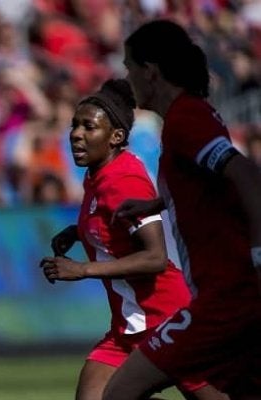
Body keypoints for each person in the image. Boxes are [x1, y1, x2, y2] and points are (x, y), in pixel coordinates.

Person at [104, 20, 261, 399]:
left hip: (227, 298)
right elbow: (211, 182)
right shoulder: (192, 115)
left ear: (150, 72)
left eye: (129, 67)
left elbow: (245, 173)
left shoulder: (185, 119)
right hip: (234, 295)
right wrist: (159, 202)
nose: (127, 78)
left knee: (119, 392)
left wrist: (260, 253)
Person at [40, 79, 198, 400]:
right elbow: (110, 220)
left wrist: (82, 269)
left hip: (169, 322)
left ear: (116, 137)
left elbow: (155, 257)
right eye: (75, 125)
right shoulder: (97, 174)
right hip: (128, 329)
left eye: (89, 127)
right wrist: (78, 232)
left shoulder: (124, 179)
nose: (76, 134)